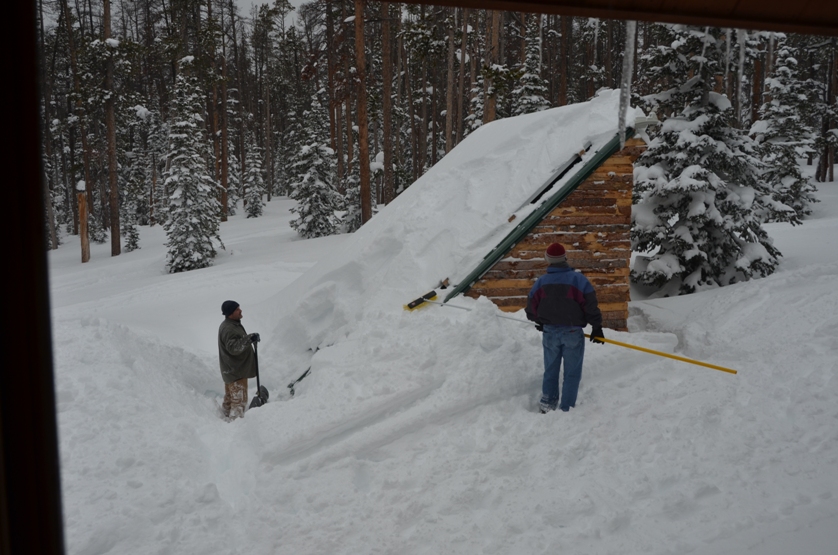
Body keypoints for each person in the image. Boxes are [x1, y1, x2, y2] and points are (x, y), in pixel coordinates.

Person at [525, 243, 605, 413]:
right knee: (572, 372)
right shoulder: (578, 280)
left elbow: (531, 307)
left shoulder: (541, 282)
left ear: (548, 259)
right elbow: (590, 306)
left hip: (550, 333)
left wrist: (539, 320)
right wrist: (596, 326)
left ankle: (547, 404)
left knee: (550, 370)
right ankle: (566, 408)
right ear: (565, 258)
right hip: (572, 332)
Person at [218, 300, 260, 420]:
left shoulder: (232, 324)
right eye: (237, 309)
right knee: (239, 403)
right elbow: (234, 348)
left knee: (230, 399)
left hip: (231, 369)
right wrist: (249, 339)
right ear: (230, 313)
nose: (240, 310)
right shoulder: (229, 328)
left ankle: (224, 418)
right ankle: (236, 424)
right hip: (236, 371)